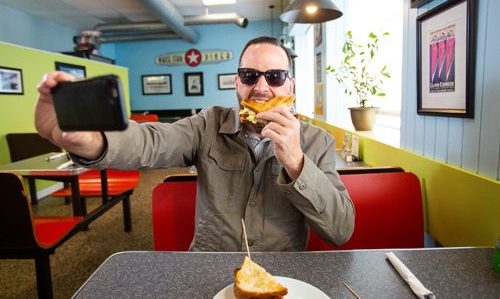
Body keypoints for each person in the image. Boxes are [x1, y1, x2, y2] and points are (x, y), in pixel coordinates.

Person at [35, 36, 355, 252]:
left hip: (284, 273)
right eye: (249, 75)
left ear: (291, 84)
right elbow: (152, 141)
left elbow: (340, 230)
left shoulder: (317, 142)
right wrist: (89, 140)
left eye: (274, 76)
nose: (261, 87)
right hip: (210, 267)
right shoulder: (207, 124)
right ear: (236, 82)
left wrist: (297, 163)